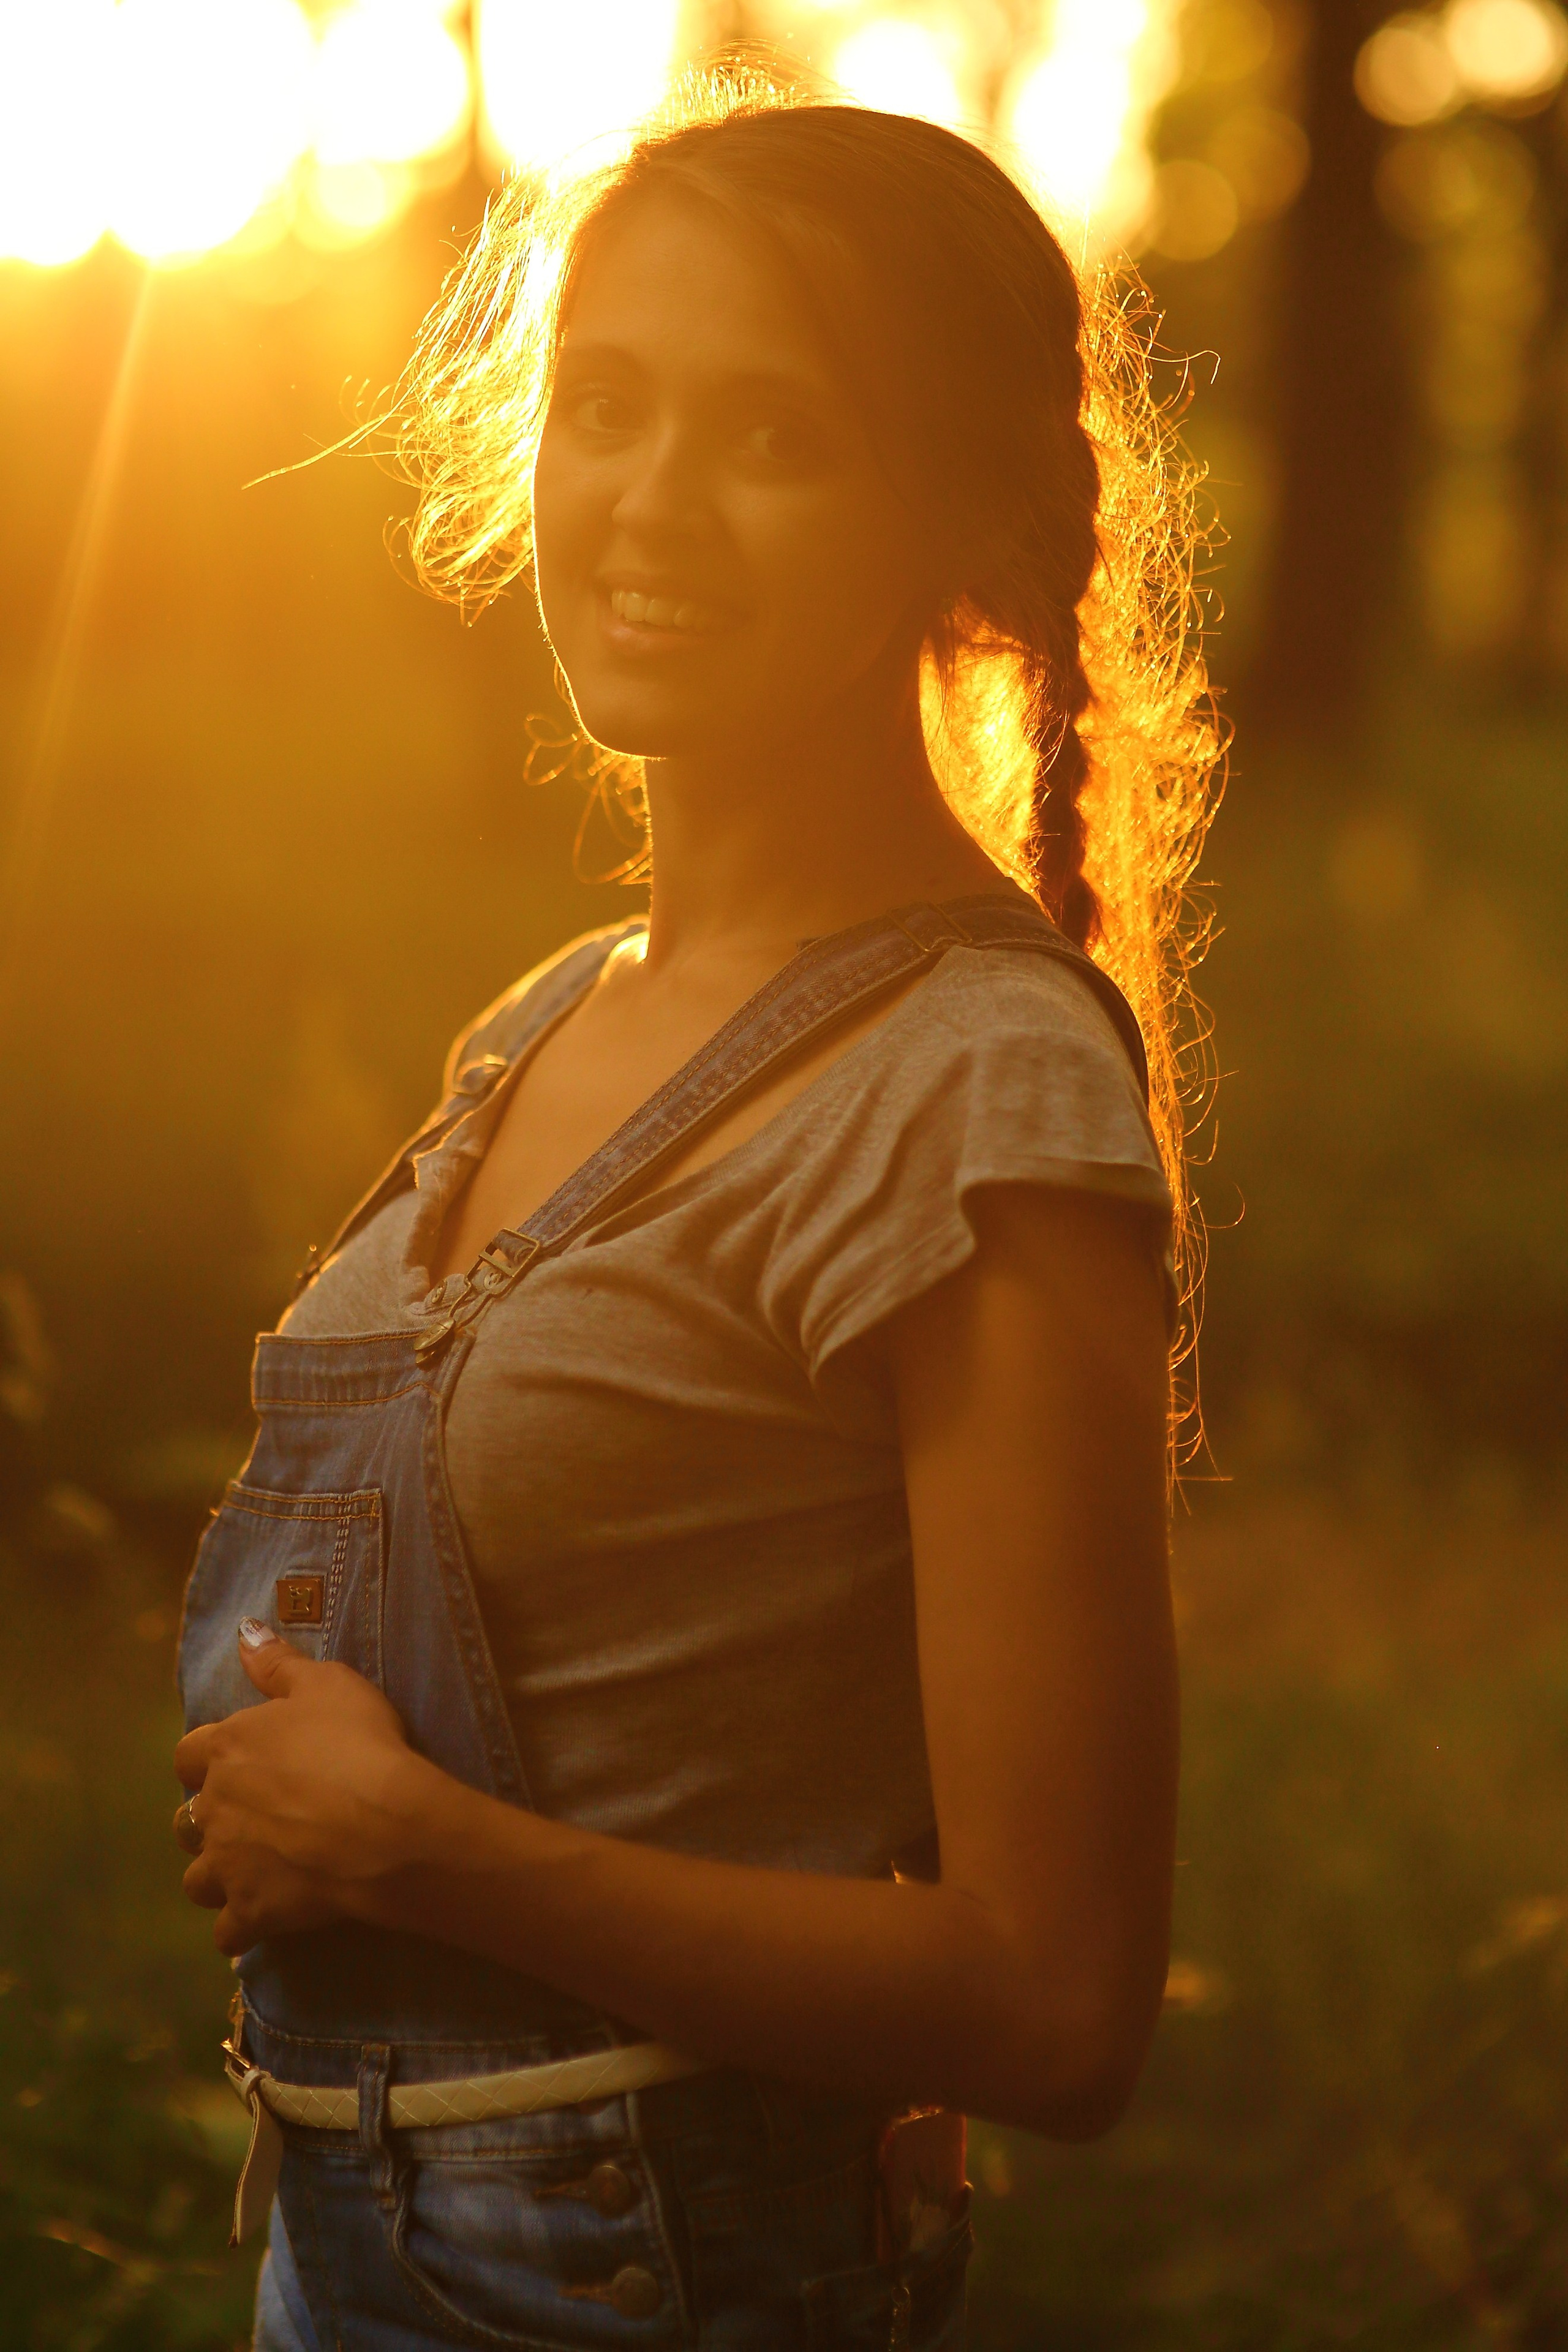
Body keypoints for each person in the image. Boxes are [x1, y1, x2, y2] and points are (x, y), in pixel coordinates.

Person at [174, 74, 1221, 2352]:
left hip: (645, 2278)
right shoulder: (543, 1021)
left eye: (774, 434)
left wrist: (424, 1854)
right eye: (607, 404)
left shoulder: (976, 1086)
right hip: (343, 2253)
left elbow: (1058, 2005)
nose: (650, 496)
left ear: (952, 521)